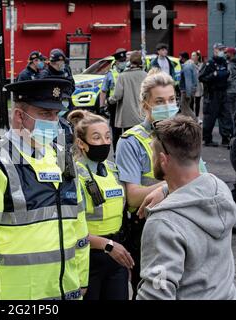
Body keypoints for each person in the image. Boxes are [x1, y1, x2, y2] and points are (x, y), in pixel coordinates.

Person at [0, 78, 89, 300]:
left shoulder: (63, 158)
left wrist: (82, 279)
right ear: (19, 116)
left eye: (56, 115)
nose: (53, 122)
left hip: (65, 292)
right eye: (45, 114)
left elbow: (78, 224)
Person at [137, 116, 236, 300]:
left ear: (162, 160)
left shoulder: (164, 223)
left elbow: (155, 295)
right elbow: (195, 184)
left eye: (152, 154)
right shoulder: (220, 190)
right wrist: (166, 189)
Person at [115, 69, 176, 298]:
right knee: (154, 291)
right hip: (149, 230)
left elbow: (202, 180)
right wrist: (167, 186)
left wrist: (170, 187)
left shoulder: (184, 132)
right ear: (145, 106)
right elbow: (132, 197)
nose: (168, 105)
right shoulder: (131, 142)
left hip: (184, 224)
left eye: (171, 100)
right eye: (159, 101)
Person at [68, 110, 134, 300]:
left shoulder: (113, 170)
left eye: (107, 137)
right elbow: (70, 228)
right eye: (96, 138)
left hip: (117, 253)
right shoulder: (73, 175)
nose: (104, 142)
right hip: (88, 257)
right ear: (81, 143)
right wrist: (108, 245)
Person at [108, 51, 146, 146]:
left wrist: (109, 100)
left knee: (129, 140)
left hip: (128, 115)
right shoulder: (146, 75)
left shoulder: (123, 76)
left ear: (130, 61)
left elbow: (117, 95)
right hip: (143, 114)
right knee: (141, 139)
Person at [199, 43, 232, 147]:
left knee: (225, 116)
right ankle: (207, 139)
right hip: (212, 94)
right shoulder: (210, 63)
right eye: (220, 49)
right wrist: (213, 75)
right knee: (210, 117)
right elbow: (201, 77)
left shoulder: (224, 62)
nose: (223, 51)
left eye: (223, 49)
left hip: (223, 93)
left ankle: (226, 139)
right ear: (215, 50)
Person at [99, 48, 127, 152]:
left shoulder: (128, 71)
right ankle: (117, 152)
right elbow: (103, 91)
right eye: (121, 61)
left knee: (129, 130)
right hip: (114, 105)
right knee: (116, 132)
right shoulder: (110, 74)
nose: (123, 63)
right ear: (116, 62)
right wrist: (102, 107)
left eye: (124, 60)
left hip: (127, 104)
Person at [178, 52, 197, 120]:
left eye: (180, 57)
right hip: (187, 91)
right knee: (185, 109)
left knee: (185, 108)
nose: (179, 59)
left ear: (183, 58)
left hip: (185, 91)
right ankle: (187, 124)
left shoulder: (187, 67)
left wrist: (188, 94)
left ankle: (196, 121)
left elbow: (188, 81)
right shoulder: (190, 65)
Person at [190, 51, 204, 120]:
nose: (192, 57)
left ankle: (197, 116)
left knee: (197, 102)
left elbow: (201, 73)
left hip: (198, 85)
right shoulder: (189, 64)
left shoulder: (201, 64)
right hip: (192, 85)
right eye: (191, 55)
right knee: (191, 102)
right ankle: (192, 117)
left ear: (197, 56)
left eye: (193, 55)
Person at [226, 47, 236, 135]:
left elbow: (228, 78)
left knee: (231, 113)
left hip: (231, 91)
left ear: (231, 53)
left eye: (227, 53)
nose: (226, 55)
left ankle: (232, 134)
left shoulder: (230, 64)